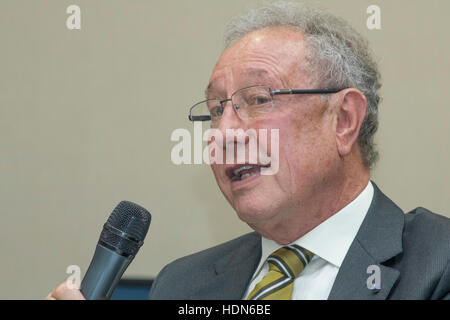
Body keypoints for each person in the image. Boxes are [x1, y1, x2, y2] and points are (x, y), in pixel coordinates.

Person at [47, 2, 450, 300]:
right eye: (216, 110)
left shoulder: (437, 266)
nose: (222, 134)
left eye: (258, 100)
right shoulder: (181, 285)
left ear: (344, 119)